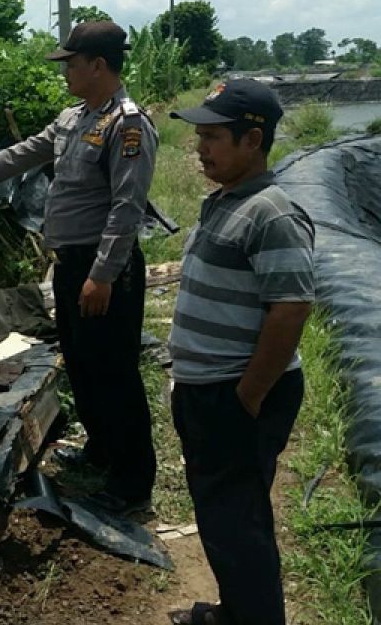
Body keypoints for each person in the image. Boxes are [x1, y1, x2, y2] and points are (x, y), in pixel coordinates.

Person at [0, 20, 157, 514]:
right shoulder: (74, 119)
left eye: (71, 63)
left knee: (114, 372)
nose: (65, 72)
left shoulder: (127, 124)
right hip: (72, 266)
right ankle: (102, 450)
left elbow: (127, 208)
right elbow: (20, 154)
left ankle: (132, 483)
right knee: (81, 363)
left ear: (98, 65)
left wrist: (103, 275)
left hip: (103, 269)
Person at [166, 79, 313, 625]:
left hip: (237, 393)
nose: (200, 148)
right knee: (222, 515)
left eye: (213, 137)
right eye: (199, 136)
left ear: (253, 141)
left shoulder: (272, 214)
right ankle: (238, 612)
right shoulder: (226, 201)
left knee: (237, 521)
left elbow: (290, 311)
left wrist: (246, 397)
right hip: (209, 390)